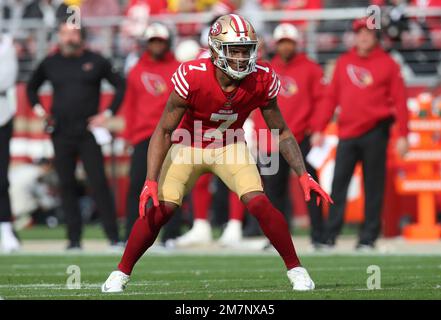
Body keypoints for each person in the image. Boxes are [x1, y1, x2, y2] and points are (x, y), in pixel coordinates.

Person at [102, 14, 332, 293]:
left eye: (245, 49)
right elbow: (163, 131)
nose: (240, 57)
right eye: (233, 50)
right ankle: (120, 272)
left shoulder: (261, 78)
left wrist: (303, 174)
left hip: (230, 144)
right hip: (188, 145)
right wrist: (151, 180)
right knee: (162, 209)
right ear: (214, 50)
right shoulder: (193, 75)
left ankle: (296, 269)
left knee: (259, 203)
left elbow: (281, 131)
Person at [312, 17, 409, 250]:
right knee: (338, 185)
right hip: (348, 131)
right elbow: (330, 98)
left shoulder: (388, 64)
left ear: (376, 37)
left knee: (374, 186)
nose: (363, 36)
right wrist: (319, 127)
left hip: (376, 130)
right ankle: (330, 235)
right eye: (360, 32)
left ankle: (368, 237)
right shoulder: (344, 62)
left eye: (368, 33)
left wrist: (404, 134)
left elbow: (400, 101)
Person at [26, 22, 126, 250]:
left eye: (73, 34)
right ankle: (73, 239)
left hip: (88, 131)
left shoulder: (96, 60)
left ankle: (113, 236)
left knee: (98, 182)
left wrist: (107, 114)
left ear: (81, 36)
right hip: (61, 132)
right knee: (66, 184)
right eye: (64, 34)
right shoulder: (51, 62)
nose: (68, 38)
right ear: (58, 37)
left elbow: (120, 85)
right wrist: (42, 113)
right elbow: (31, 88)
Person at [252, 23, 326, 248]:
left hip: (299, 136)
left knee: (310, 184)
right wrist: (258, 134)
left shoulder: (311, 68)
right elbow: (256, 103)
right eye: (281, 42)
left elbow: (322, 100)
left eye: (289, 42)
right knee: (273, 192)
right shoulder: (265, 69)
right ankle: (277, 238)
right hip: (270, 139)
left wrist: (318, 127)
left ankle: (319, 236)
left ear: (296, 43)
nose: (285, 47)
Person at [122, 22, 179, 239]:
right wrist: (128, 136)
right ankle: (131, 233)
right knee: (137, 184)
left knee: (173, 185)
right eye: (153, 41)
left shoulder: (178, 68)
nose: (156, 45)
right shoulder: (136, 70)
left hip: (171, 134)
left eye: (160, 41)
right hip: (144, 135)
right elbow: (130, 105)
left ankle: (171, 235)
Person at [0, 32, 21, 253]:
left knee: (1, 179)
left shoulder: (6, 45)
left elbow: (5, 79)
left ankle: (6, 230)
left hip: (1, 118)